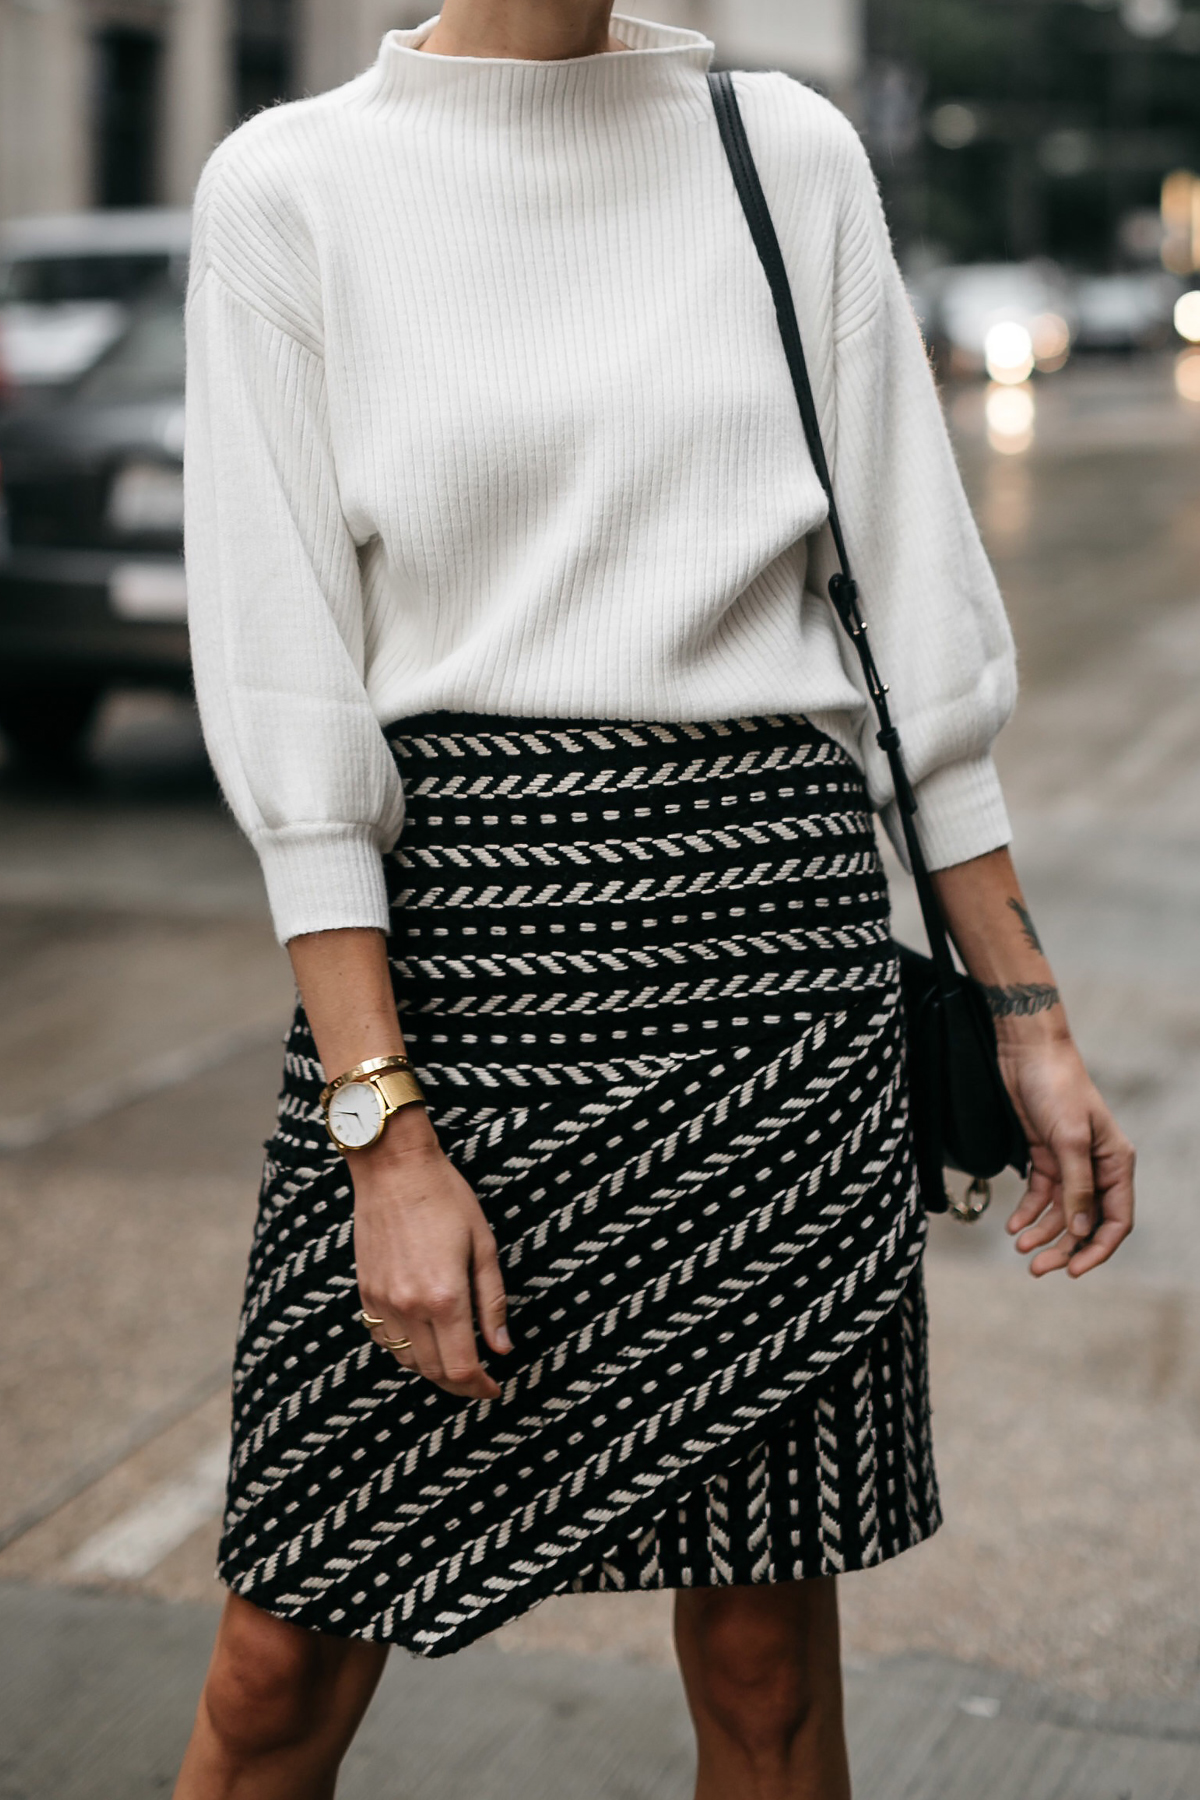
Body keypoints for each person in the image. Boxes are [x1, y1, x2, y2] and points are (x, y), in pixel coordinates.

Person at [174, 4, 1136, 1795]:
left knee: (768, 1678)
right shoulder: (287, 192)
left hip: (776, 979)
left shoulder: (780, 152)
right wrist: (382, 1134)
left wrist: (1030, 1016)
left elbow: (921, 633)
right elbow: (289, 699)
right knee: (275, 1673)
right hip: (456, 978)